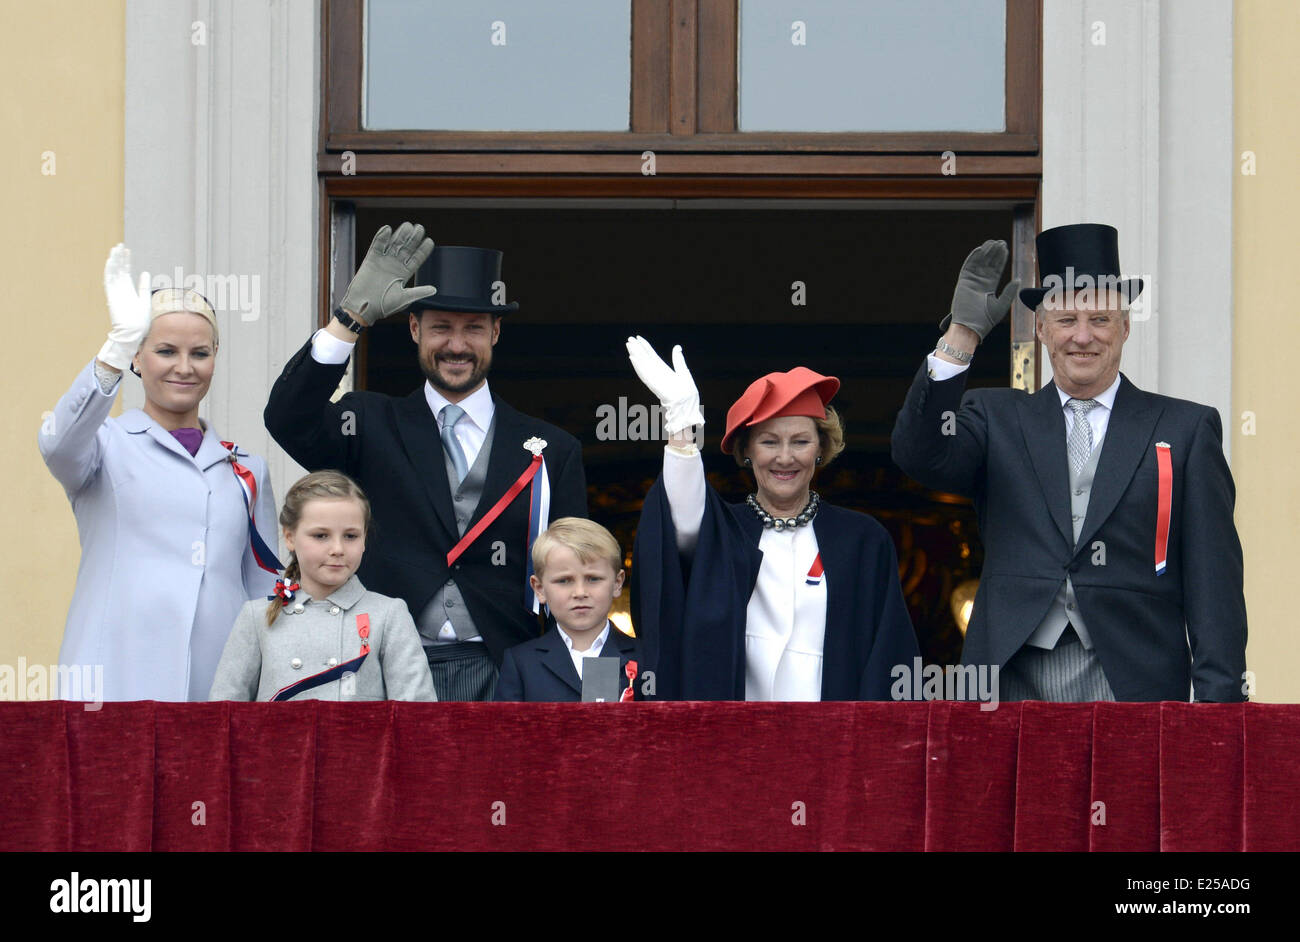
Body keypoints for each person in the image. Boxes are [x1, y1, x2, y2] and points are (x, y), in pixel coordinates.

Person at [891, 226, 1247, 702]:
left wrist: (1218, 714)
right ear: (1040, 329)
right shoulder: (994, 417)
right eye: (1066, 320)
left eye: (1100, 318)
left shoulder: (1185, 429)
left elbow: (1213, 582)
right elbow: (919, 455)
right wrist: (963, 336)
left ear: (1124, 327)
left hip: (1135, 680)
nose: (1083, 336)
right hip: (1008, 679)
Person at [264, 223, 587, 701]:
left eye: (473, 328)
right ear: (414, 329)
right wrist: (349, 319)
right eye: (441, 327)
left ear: (495, 332)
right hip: (382, 668)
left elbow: (578, 569)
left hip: (508, 673)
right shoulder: (368, 421)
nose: (456, 345)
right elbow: (288, 417)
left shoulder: (552, 448)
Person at [38, 245, 279, 701]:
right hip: (114, 675)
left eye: (200, 353)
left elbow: (263, 589)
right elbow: (57, 443)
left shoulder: (246, 468)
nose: (184, 367)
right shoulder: (103, 445)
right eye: (165, 350)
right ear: (137, 358)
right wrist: (114, 346)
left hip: (220, 683)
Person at [626, 337, 919, 701]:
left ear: (821, 449)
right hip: (739, 742)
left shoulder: (861, 539)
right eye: (768, 442)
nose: (785, 458)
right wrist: (681, 430)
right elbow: (680, 518)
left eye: (800, 442)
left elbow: (889, 656)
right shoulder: (724, 535)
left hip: (833, 741)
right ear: (746, 450)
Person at [209, 471, 436, 702]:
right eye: (320, 535)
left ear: (364, 539)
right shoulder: (256, 617)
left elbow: (418, 717)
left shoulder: (388, 615)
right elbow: (222, 715)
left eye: (350, 536)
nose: (337, 548)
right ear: (289, 537)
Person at [495, 517, 641, 703]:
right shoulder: (520, 663)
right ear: (539, 589)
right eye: (564, 581)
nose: (580, 593)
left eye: (593, 579)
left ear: (617, 583)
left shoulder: (645, 657)